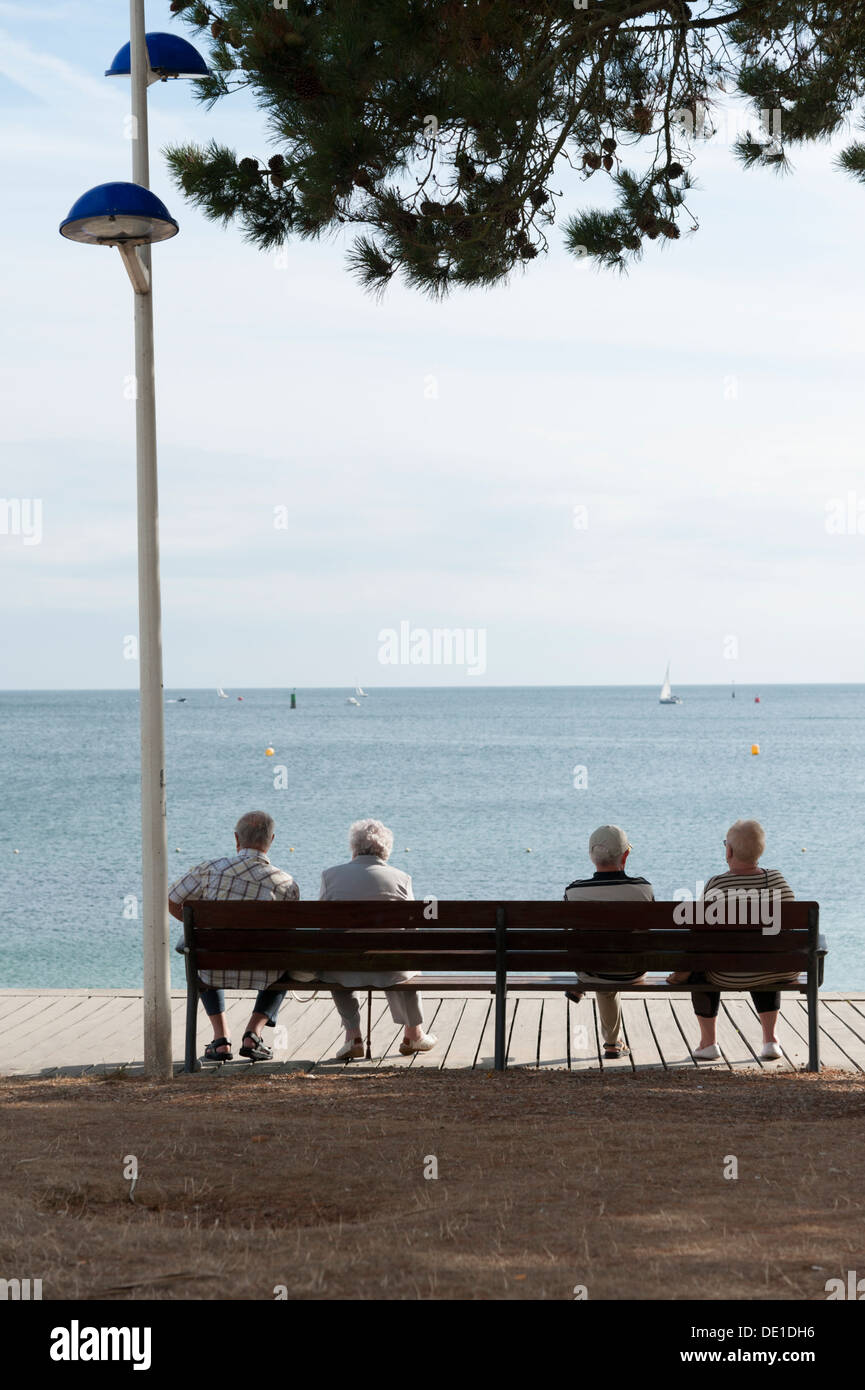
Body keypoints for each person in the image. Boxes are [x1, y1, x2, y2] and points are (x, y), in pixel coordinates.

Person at [169, 810, 304, 1062]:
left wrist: (196, 930)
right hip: (265, 971)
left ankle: (221, 1039)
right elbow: (290, 933)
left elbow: (172, 899)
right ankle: (253, 1034)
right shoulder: (285, 883)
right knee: (285, 963)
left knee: (200, 954)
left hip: (213, 967)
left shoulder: (208, 870)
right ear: (271, 840)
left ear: (236, 839)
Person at [668, 819, 795, 1062]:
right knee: (765, 955)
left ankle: (708, 1044)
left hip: (727, 974)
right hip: (776, 969)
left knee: (702, 967)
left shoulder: (717, 885)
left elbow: (701, 936)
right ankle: (771, 1041)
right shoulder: (778, 881)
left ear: (729, 851)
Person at [317, 819, 437, 1061]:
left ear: (354, 847)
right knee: (406, 961)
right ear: (386, 849)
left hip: (345, 967)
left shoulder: (330, 876)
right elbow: (412, 931)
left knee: (335, 964)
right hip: (389, 966)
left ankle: (353, 1036)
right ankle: (414, 1033)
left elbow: (323, 927)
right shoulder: (401, 878)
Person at [563, 825, 654, 1058]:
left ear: (591, 857)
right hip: (634, 970)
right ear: (625, 855)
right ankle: (613, 1044)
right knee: (614, 959)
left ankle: (582, 985)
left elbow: (569, 936)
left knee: (599, 965)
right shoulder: (642, 888)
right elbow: (646, 932)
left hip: (594, 969)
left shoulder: (574, 891)